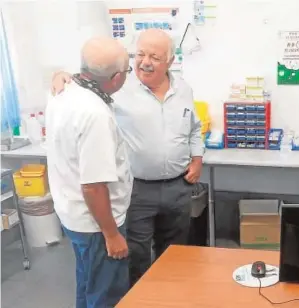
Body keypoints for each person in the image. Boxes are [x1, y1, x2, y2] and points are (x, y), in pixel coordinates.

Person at [50, 29, 204, 286]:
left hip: (179, 187)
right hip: (137, 190)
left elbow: (195, 127)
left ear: (170, 61)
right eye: (140, 54)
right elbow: (88, 78)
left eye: (154, 56)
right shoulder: (117, 86)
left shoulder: (184, 89)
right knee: (135, 255)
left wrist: (197, 158)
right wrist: (59, 75)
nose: (145, 62)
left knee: (175, 252)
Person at [45, 37, 132, 307]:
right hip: (96, 224)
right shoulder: (95, 114)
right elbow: (93, 186)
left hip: (73, 216)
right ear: (116, 78)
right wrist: (111, 234)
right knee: (106, 294)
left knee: (87, 284)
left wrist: (61, 74)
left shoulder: (61, 92)